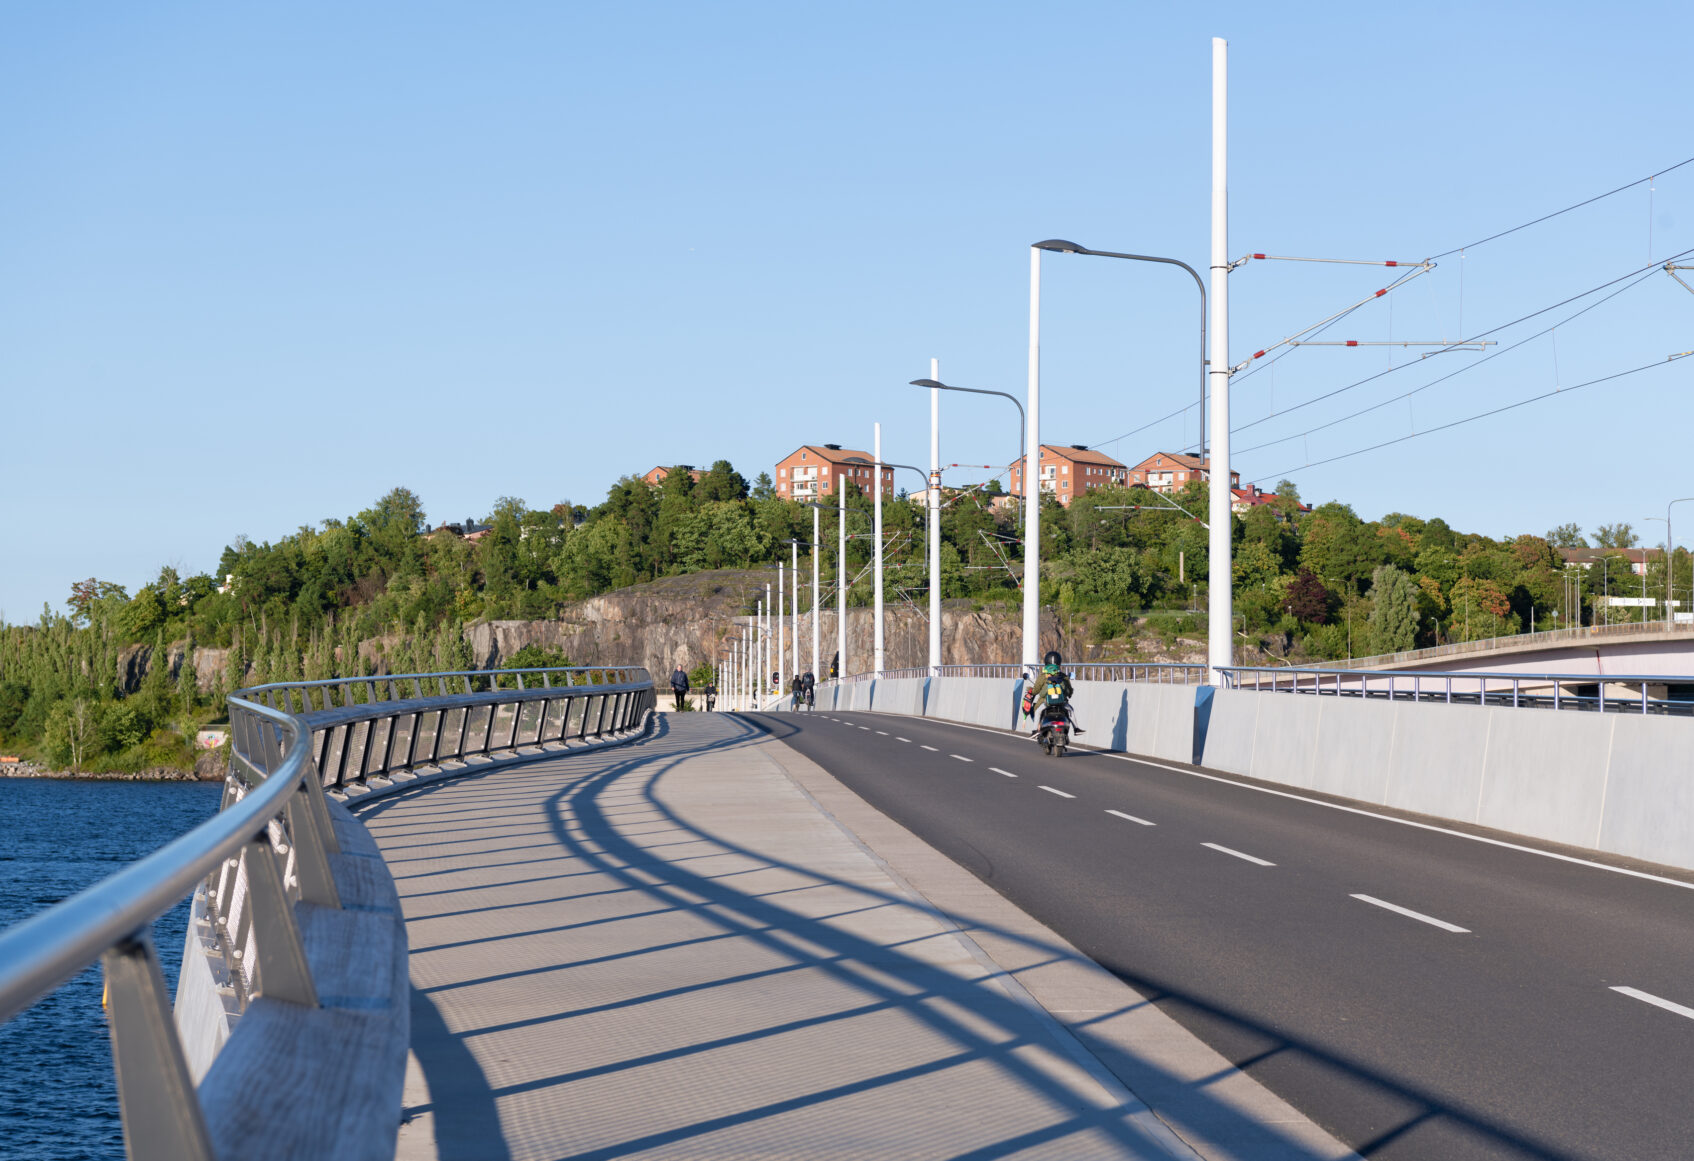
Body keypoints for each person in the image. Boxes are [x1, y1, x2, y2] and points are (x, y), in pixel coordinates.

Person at [1023, 651, 1085, 737]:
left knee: (1037, 711)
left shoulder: (1042, 676)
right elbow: (1069, 691)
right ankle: (1076, 729)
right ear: (1059, 663)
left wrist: (1030, 690)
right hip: (1061, 702)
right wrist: (1069, 694)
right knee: (1071, 710)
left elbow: (1036, 691)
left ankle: (1035, 730)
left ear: (1045, 662)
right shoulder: (1063, 676)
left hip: (1046, 702)